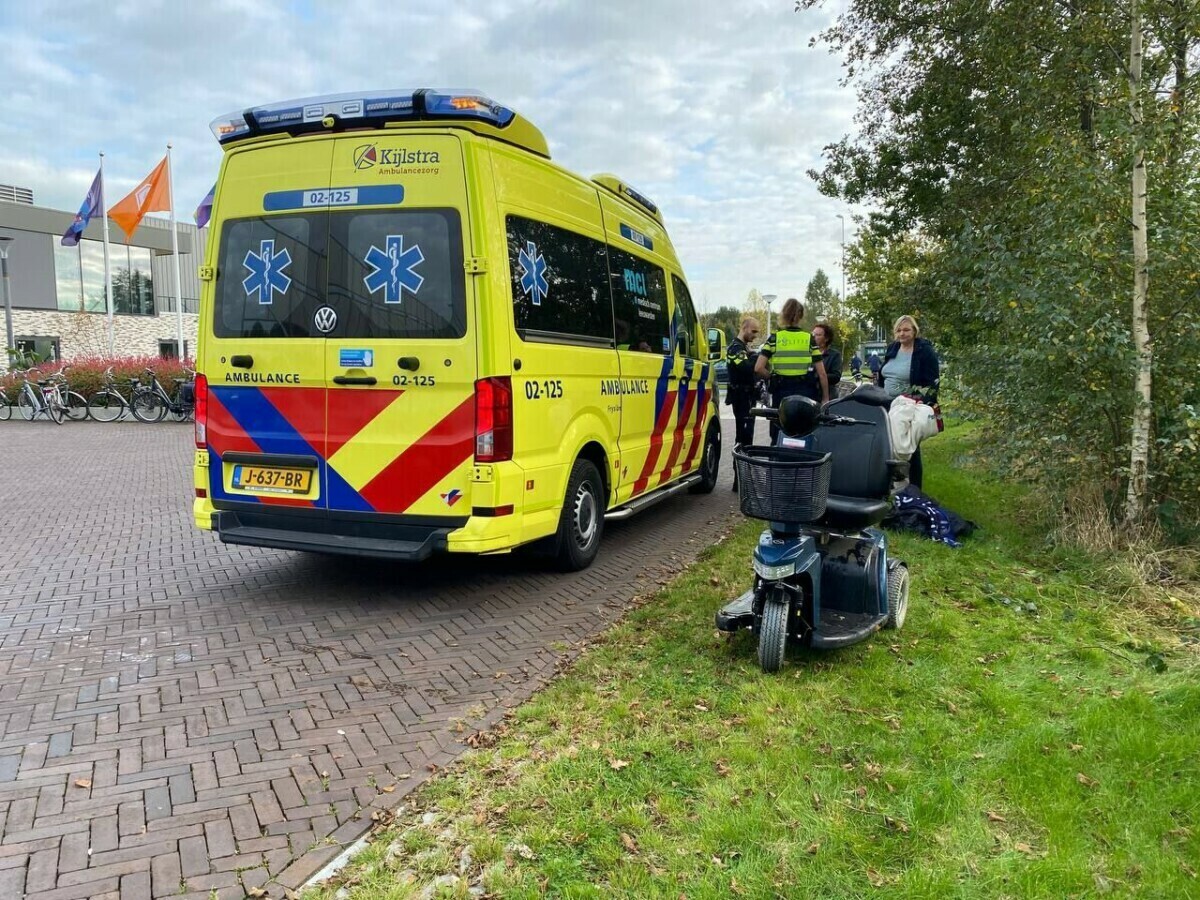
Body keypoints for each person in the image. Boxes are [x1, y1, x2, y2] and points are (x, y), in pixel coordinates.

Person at [876, 314, 940, 489]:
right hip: (887, 404)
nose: (902, 333)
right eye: (899, 330)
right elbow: (883, 374)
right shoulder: (893, 349)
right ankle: (890, 488)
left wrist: (924, 402)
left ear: (914, 331)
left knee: (910, 449)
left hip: (910, 406)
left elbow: (933, 382)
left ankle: (915, 491)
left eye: (906, 330)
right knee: (888, 446)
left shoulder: (924, 351)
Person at [754, 298, 829, 442]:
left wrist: (771, 377)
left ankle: (777, 460)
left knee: (779, 431)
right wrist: (825, 398)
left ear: (784, 314)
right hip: (805, 392)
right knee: (803, 432)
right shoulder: (808, 339)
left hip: (781, 392)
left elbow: (758, 368)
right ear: (800, 316)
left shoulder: (775, 338)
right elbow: (822, 373)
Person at [725, 317, 761, 489]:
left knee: (747, 438)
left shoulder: (744, 349)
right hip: (741, 397)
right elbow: (747, 369)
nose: (755, 335)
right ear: (744, 328)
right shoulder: (735, 348)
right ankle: (739, 480)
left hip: (748, 397)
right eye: (753, 331)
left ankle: (743, 478)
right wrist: (757, 357)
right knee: (743, 437)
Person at [811, 322, 843, 397]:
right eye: (813, 334)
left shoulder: (834, 355)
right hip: (810, 393)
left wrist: (817, 376)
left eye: (818, 335)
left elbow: (836, 376)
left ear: (826, 339)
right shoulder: (807, 353)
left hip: (828, 394)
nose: (814, 337)